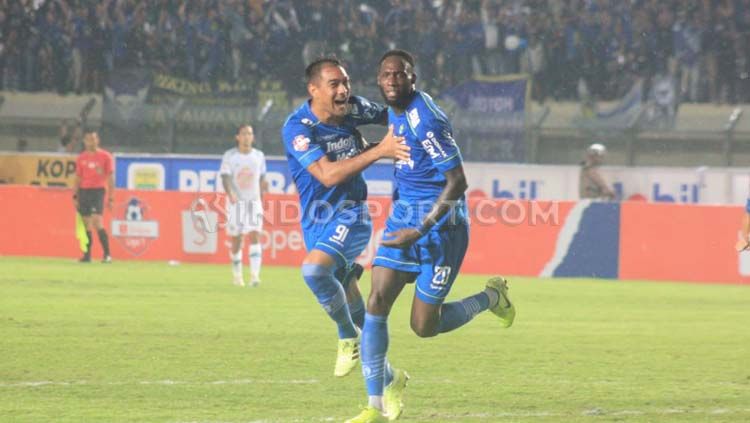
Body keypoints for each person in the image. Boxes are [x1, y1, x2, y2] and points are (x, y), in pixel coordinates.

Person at [346, 50, 516, 423]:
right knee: (376, 301)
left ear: (413, 78)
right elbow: (404, 153)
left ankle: (491, 297)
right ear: (379, 80)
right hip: (403, 217)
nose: (392, 80)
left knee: (424, 326)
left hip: (442, 227)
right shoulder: (394, 110)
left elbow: (458, 181)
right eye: (386, 74)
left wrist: (419, 229)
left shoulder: (428, 120)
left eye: (400, 74)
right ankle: (374, 405)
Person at [281, 57, 410, 380]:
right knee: (356, 307)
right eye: (334, 85)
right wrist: (378, 150)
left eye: (346, 83)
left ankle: (345, 336)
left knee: (313, 270)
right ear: (314, 90)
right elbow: (326, 175)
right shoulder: (298, 128)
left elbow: (398, 113)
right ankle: (389, 380)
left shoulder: (354, 108)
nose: (344, 91)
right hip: (315, 219)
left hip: (351, 213)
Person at [220, 124, 268, 287]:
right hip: (236, 203)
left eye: (250, 133)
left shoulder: (259, 156)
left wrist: (263, 189)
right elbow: (225, 177)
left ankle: (255, 276)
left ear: (253, 137)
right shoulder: (230, 156)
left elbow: (262, 177)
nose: (247, 136)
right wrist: (230, 194)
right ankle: (237, 276)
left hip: (254, 202)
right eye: (244, 133)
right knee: (237, 239)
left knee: (255, 235)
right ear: (238, 137)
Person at [72, 129, 114, 263]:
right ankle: (87, 255)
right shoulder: (81, 158)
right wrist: (75, 195)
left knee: (97, 221)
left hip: (98, 191)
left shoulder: (106, 156)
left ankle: (107, 254)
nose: (91, 142)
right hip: (84, 192)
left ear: (98, 140)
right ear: (84, 141)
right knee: (86, 224)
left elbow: (110, 178)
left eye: (94, 139)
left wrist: (111, 197)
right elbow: (78, 178)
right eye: (89, 139)